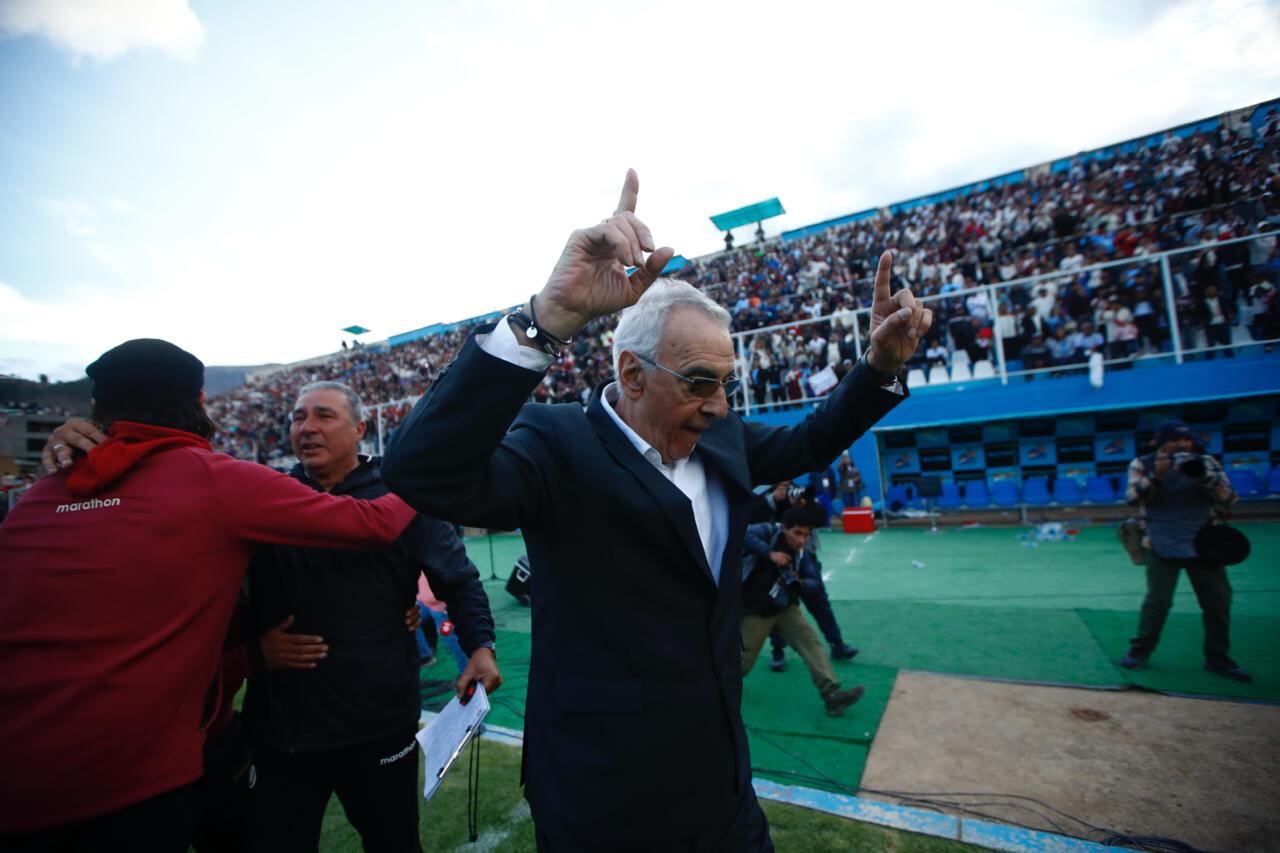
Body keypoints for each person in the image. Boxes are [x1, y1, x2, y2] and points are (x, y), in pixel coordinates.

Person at [381, 170, 931, 850]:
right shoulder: (555, 443)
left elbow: (810, 440)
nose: (720, 404)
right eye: (701, 382)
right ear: (632, 374)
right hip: (600, 796)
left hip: (722, 783)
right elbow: (418, 471)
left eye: (725, 383)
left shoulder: (719, 434)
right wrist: (545, 318)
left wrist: (877, 367)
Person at [0, 339, 417, 851]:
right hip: (134, 780)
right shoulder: (217, 481)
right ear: (201, 404)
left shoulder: (33, 500)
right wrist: (425, 473)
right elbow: (376, 522)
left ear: (94, 411)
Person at [241, 381, 498, 853]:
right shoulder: (265, 495)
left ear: (360, 429)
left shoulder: (402, 492)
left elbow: (457, 580)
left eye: (323, 416)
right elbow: (226, 594)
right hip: (283, 728)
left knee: (394, 842)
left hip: (378, 723)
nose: (307, 428)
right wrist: (252, 652)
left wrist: (480, 646)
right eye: (298, 418)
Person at [1119, 420, 1250, 681]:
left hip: (1204, 544)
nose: (1181, 445)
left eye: (1186, 440)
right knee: (1158, 602)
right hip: (1160, 543)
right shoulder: (1142, 464)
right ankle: (1141, 649)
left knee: (1218, 602)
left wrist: (1207, 478)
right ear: (1159, 442)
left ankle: (1217, 657)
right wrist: (1157, 475)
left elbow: (1229, 500)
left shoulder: (1207, 462)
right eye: (1174, 441)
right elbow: (1133, 499)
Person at [740, 509, 864, 715]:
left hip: (785, 607)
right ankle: (710, 687)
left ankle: (831, 695)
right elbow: (741, 535)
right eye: (797, 533)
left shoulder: (802, 554)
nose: (801, 540)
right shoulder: (767, 532)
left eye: (806, 535)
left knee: (810, 642)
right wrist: (770, 554)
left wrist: (800, 582)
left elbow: (815, 583)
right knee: (743, 663)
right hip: (757, 609)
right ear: (784, 528)